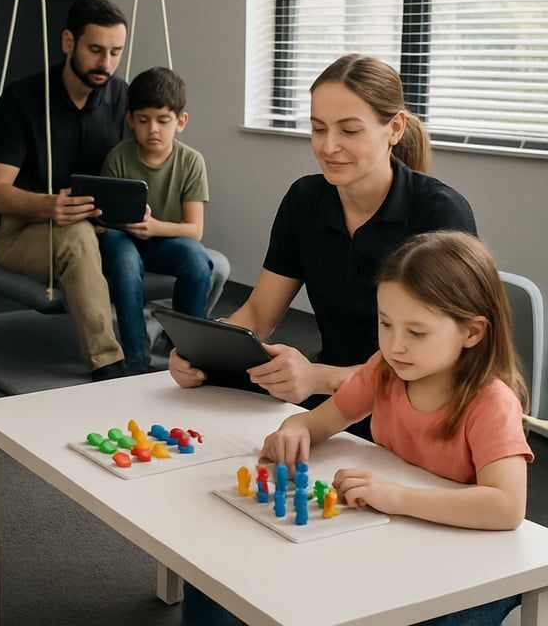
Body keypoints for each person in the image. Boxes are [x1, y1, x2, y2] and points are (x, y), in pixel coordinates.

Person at [183, 230, 531, 626]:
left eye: (416, 332)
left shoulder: (490, 402)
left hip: (470, 567)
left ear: (472, 332)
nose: (396, 345)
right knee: (225, 574)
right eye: (386, 324)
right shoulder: (385, 370)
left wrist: (394, 496)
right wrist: (296, 428)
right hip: (391, 539)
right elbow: (320, 420)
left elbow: (506, 506)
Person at [169, 54, 476, 405]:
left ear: (394, 128)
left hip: (413, 405)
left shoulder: (440, 212)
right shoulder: (305, 200)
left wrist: (320, 377)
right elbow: (258, 315)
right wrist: (204, 350)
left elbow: (445, 362)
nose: (328, 146)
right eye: (318, 128)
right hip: (333, 398)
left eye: (349, 130)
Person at [0, 0, 133, 382]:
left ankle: (179, 344)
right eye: (96, 50)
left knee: (199, 256)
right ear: (69, 43)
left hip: (104, 229)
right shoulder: (21, 100)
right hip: (20, 233)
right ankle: (109, 365)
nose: (106, 63)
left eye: (116, 51)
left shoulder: (125, 99)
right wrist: (50, 206)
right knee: (76, 234)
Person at [98, 67, 212, 372]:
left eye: (163, 121)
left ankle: (188, 353)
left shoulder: (190, 161)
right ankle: (136, 359)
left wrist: (154, 227)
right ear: (130, 119)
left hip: (164, 241)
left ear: (180, 121)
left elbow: (194, 229)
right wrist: (125, 223)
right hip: (123, 239)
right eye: (144, 120)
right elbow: (104, 223)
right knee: (123, 259)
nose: (153, 130)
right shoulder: (119, 157)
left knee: (197, 260)